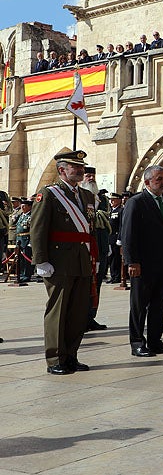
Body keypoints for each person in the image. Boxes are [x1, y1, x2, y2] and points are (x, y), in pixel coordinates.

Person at [30, 150, 97, 375]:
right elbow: (38, 229)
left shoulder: (86, 196)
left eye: (81, 167)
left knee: (78, 312)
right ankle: (55, 359)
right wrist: (41, 260)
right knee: (57, 312)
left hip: (81, 260)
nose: (80, 170)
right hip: (58, 261)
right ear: (61, 170)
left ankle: (71, 355)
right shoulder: (49, 194)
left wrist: (94, 255)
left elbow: (89, 229)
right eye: (75, 167)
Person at [120, 165, 163, 357]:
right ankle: (137, 342)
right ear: (147, 182)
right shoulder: (136, 202)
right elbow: (128, 234)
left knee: (158, 304)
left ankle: (155, 341)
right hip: (143, 264)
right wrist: (131, 261)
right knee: (139, 305)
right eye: (159, 179)